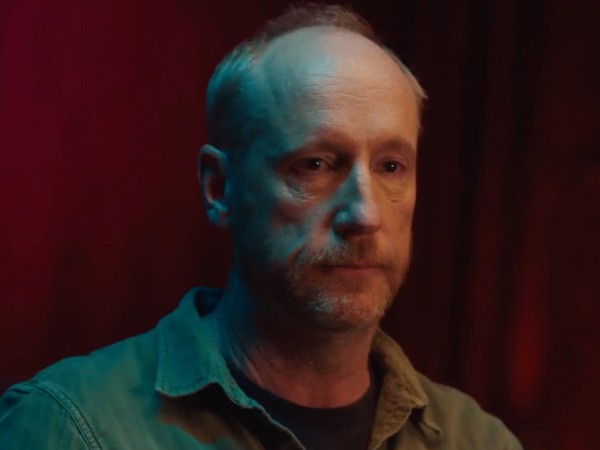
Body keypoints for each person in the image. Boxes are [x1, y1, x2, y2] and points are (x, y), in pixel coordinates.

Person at [0, 4, 522, 449]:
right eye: (316, 164)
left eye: (391, 166)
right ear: (218, 187)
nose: (365, 214)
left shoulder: (476, 439)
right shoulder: (75, 426)